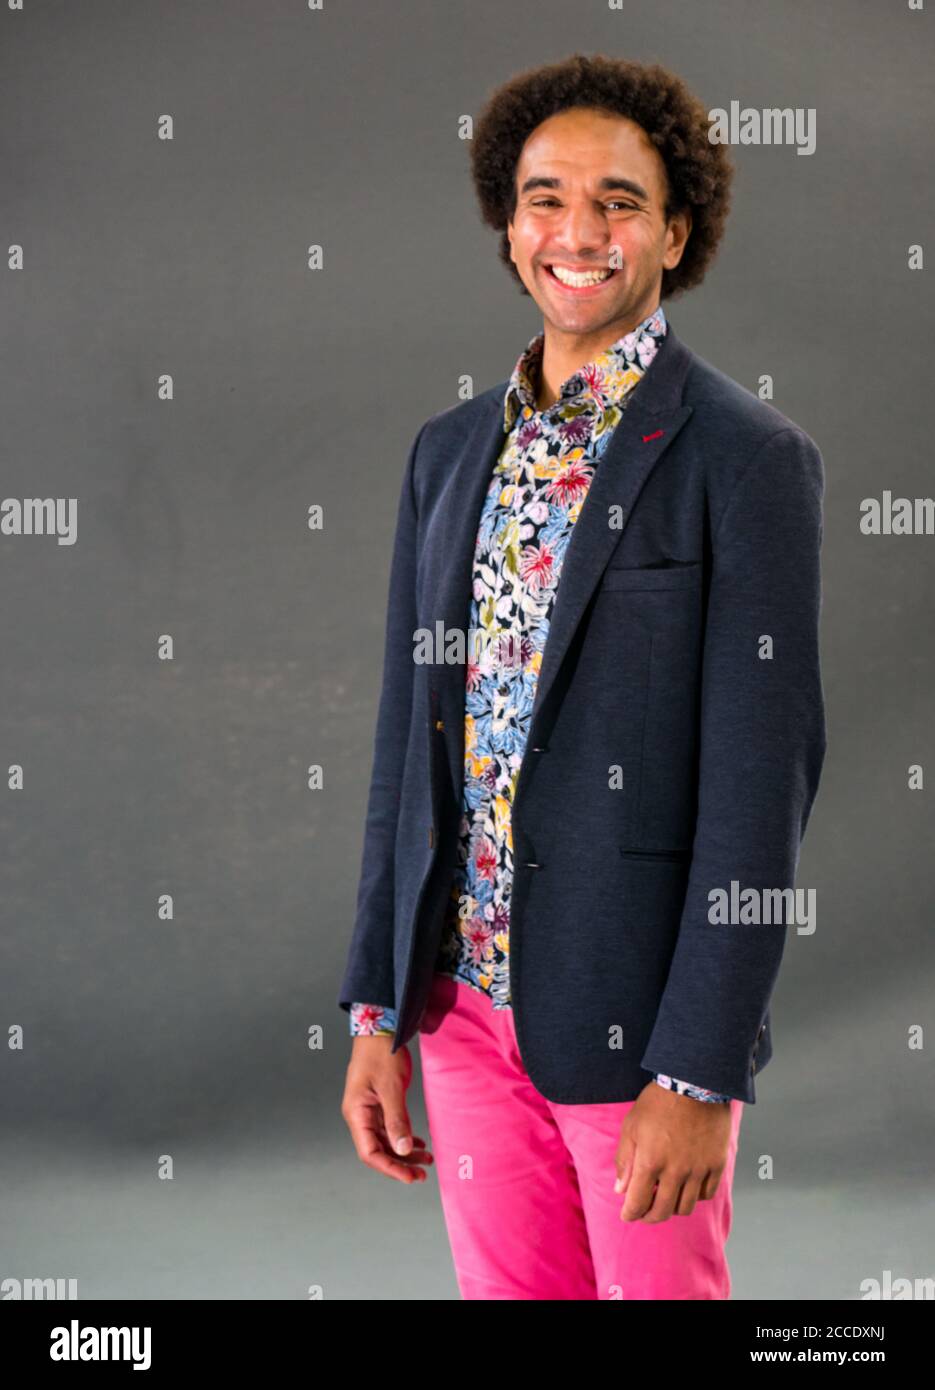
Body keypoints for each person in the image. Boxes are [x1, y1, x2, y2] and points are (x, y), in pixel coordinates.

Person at [338, 53, 826, 1300]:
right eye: (545, 196)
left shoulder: (744, 458)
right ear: (509, 226)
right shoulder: (446, 455)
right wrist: (377, 1011)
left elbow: (758, 790)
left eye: (618, 201)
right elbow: (409, 746)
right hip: (460, 1013)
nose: (577, 231)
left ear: (674, 229)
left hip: (637, 1026)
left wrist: (699, 1069)